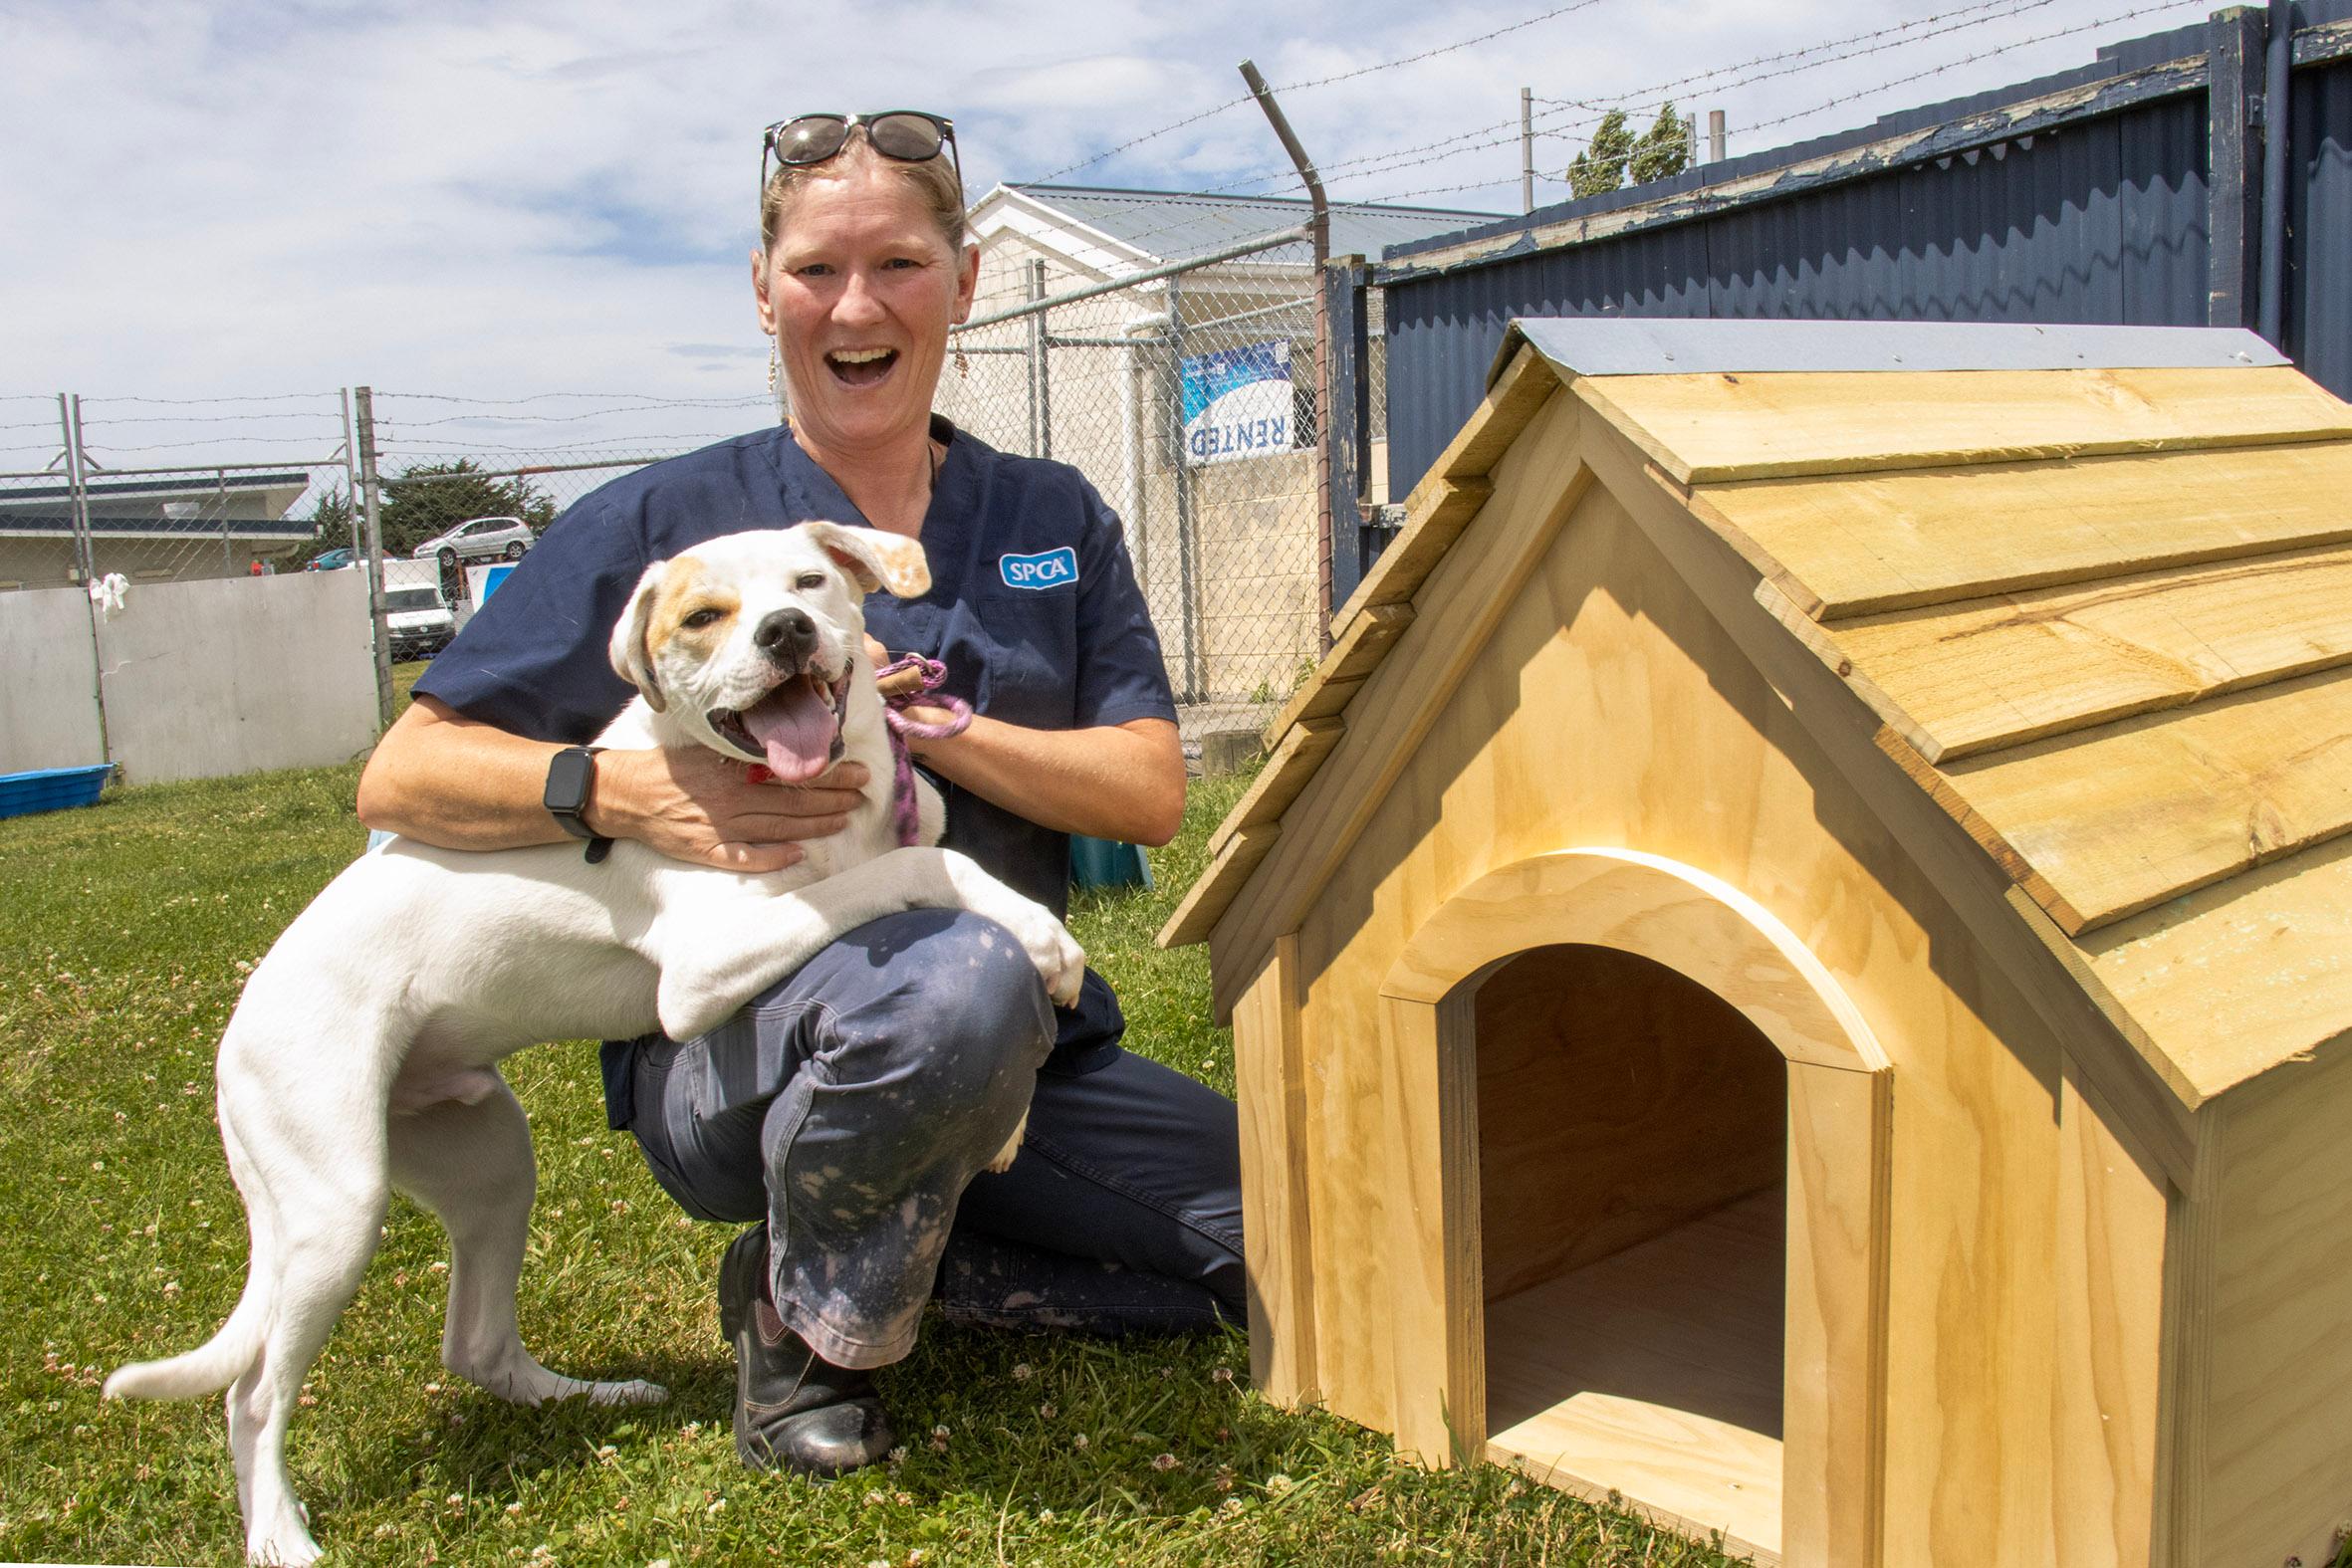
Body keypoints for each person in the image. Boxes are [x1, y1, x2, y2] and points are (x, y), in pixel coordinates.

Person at [355, 110, 1245, 1478]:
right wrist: (621, 794)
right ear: (762, 289)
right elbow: (404, 773)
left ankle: (930, 1264)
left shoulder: (1050, 515)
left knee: (1285, 1236)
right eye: (816, 269)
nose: (855, 305)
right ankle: (802, 1325)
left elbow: (1140, 794)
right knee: (951, 973)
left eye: (896, 263)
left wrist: (917, 718)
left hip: (1031, 1057)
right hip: (751, 1053)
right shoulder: (662, 527)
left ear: (963, 281)